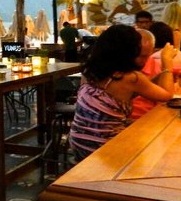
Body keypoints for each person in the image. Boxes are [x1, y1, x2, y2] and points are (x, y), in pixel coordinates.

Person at [70, 24, 174, 160]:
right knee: (163, 149)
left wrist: (157, 77)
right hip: (105, 147)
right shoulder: (131, 78)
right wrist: (167, 64)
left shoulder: (90, 71)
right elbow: (167, 95)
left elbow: (121, 94)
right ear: (128, 51)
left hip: (78, 143)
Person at [132, 22, 181, 119]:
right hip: (140, 119)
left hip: (150, 115)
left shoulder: (151, 60)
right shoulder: (130, 75)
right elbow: (166, 96)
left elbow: (146, 85)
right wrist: (167, 63)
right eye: (142, 56)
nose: (145, 59)